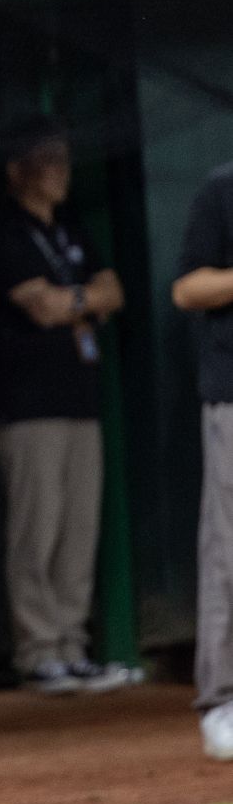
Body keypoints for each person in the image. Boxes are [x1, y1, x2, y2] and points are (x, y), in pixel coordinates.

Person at [0, 121, 128, 694]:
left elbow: (114, 290)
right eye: (48, 160)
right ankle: (38, 650)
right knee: (37, 531)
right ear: (17, 169)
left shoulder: (71, 229)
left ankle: (72, 645)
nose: (61, 171)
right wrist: (83, 302)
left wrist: (72, 300)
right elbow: (40, 307)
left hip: (80, 400)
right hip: (28, 407)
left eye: (65, 159)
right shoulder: (4, 232)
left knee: (79, 530)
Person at [171, 159, 233, 762]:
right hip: (232, 395)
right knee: (228, 549)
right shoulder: (222, 188)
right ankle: (222, 701)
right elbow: (187, 288)